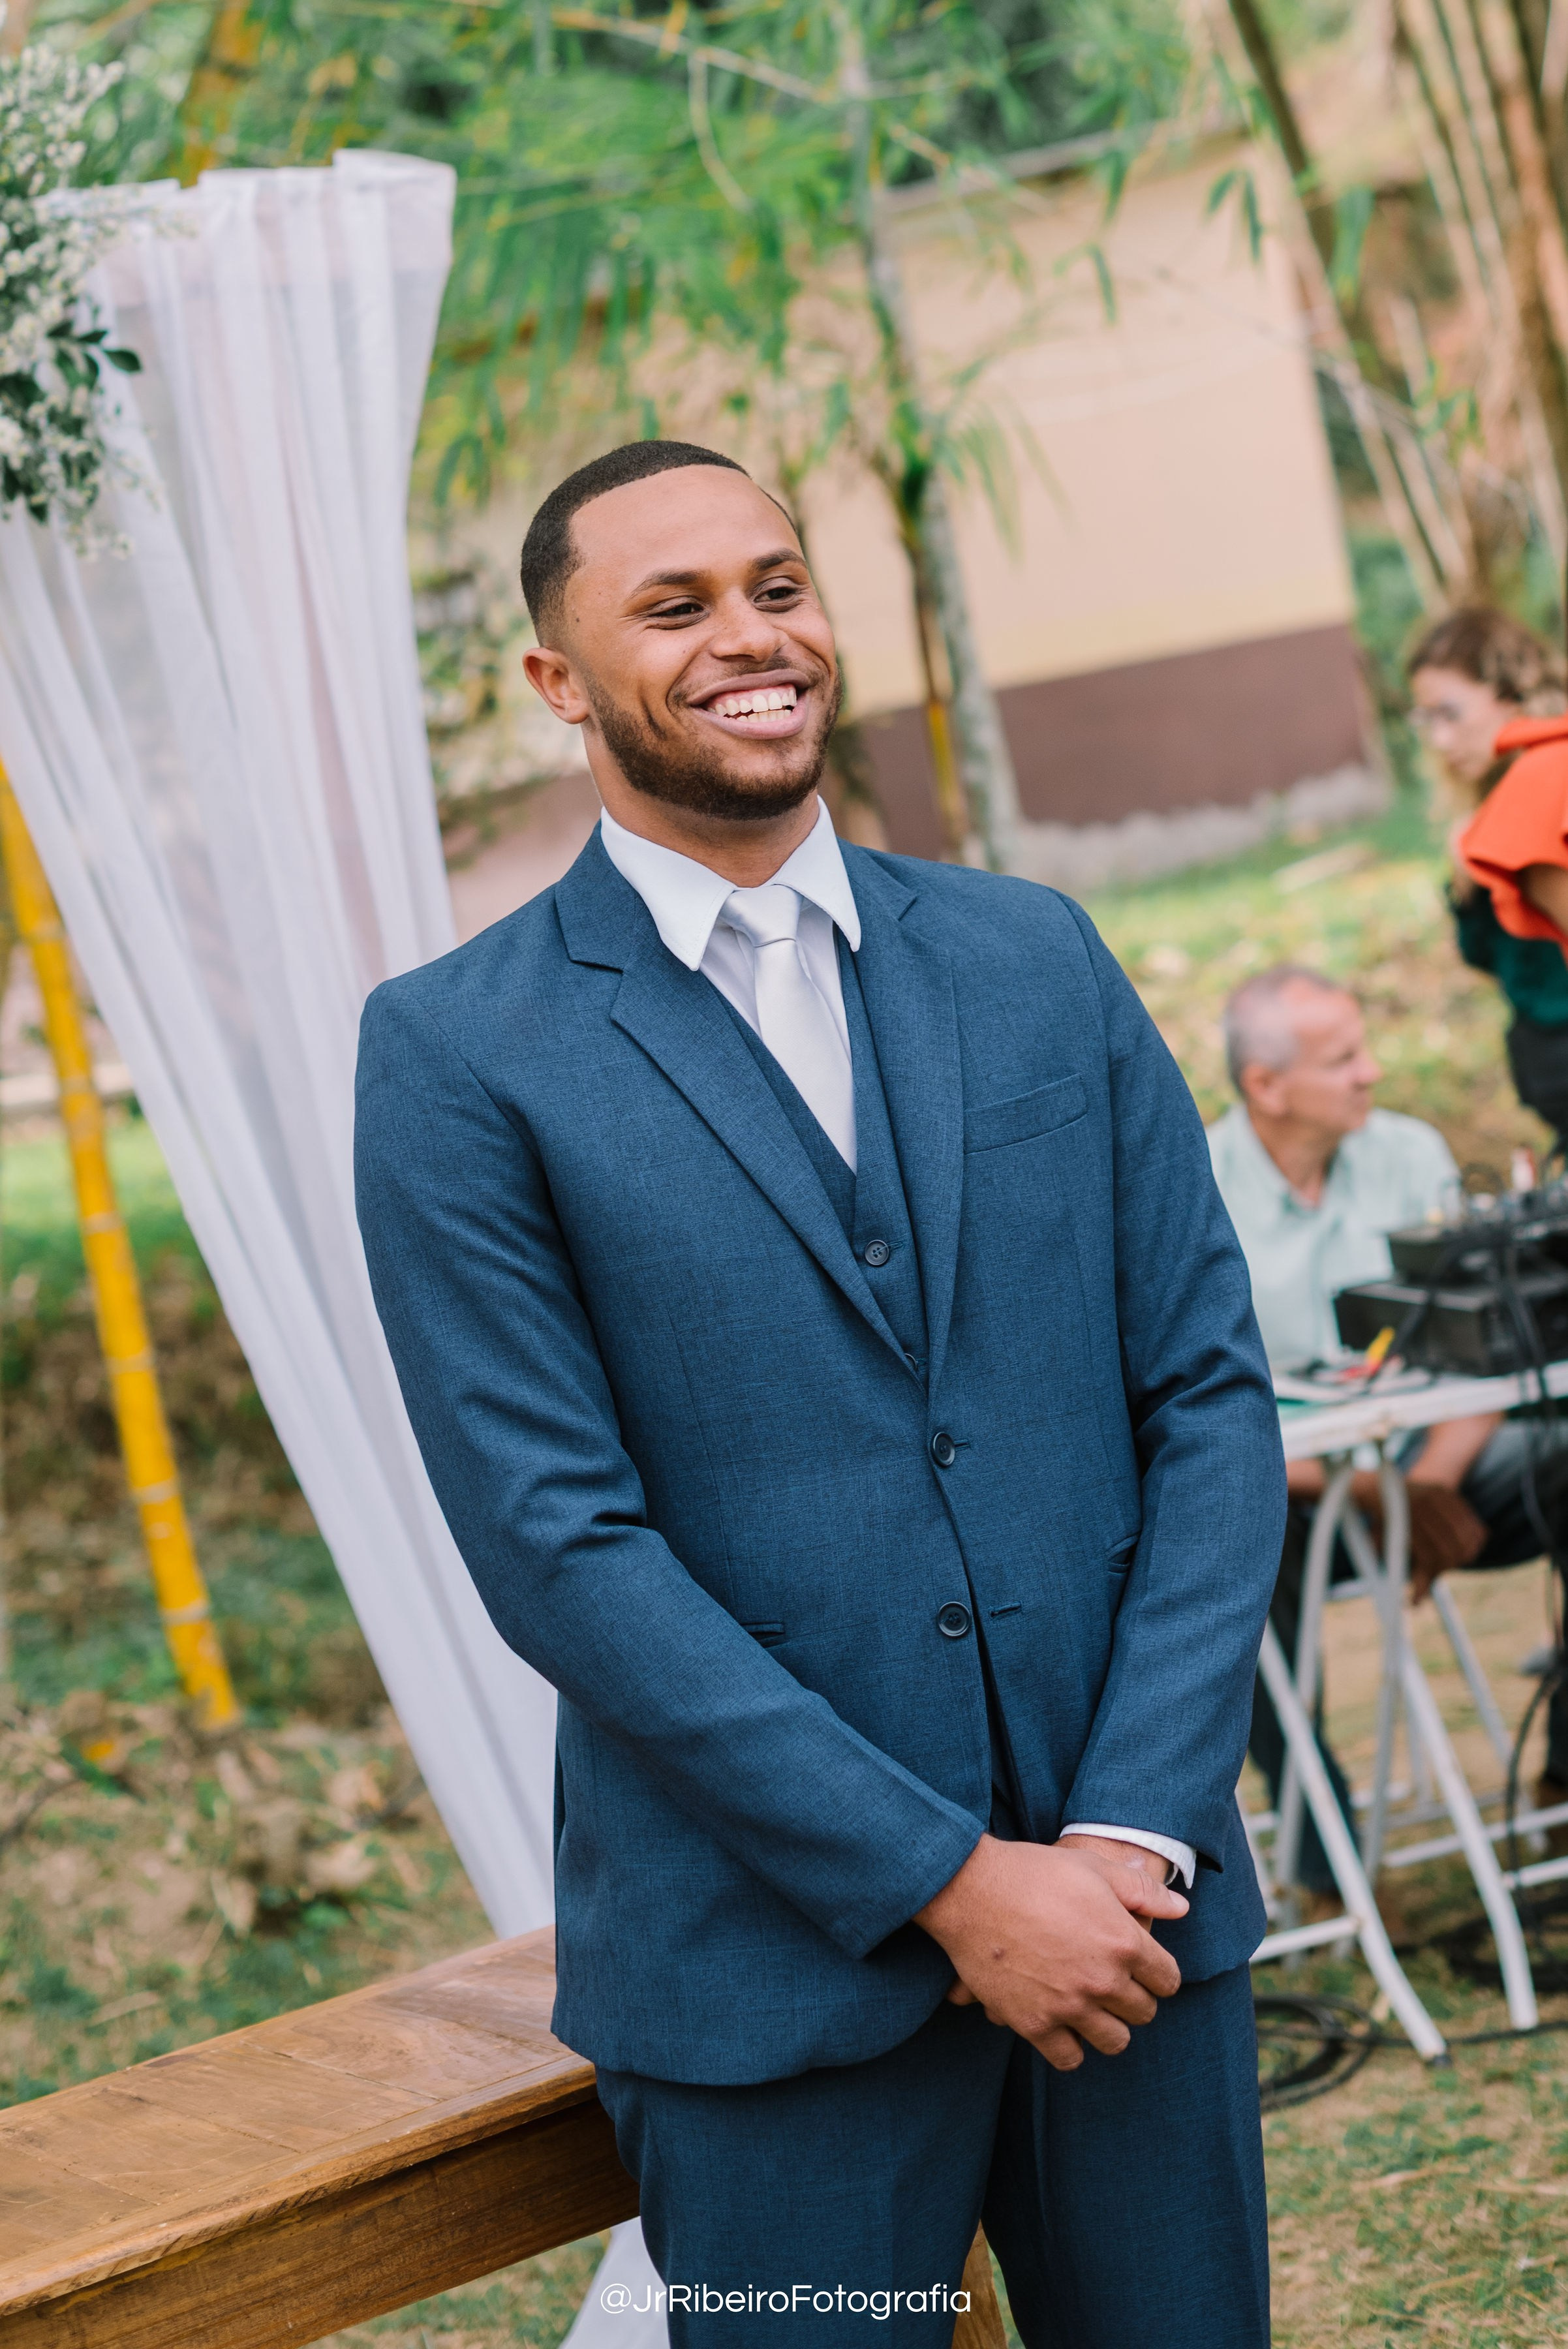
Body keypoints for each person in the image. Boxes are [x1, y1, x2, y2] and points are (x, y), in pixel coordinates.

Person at [354, 439, 1284, 2348]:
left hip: (1136, 1946)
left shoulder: (1035, 957)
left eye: (777, 585)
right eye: (674, 606)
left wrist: (1124, 1841)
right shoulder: (460, 1055)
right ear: (557, 683)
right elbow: (561, 1548)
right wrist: (948, 1884)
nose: (749, 637)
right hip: (771, 1987)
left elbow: (1205, 1394)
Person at [1209, 963, 1568, 1898]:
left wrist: (1429, 1483)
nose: (1371, 1072)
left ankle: (1561, 1772)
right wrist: (1374, 1492)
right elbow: (1188, 1409)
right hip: (1291, 1493)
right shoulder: (1194, 1186)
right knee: (1225, 1546)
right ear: (1265, 1085)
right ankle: (1326, 1865)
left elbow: (1490, 1338)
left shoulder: (1407, 1153)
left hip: (1435, 1467)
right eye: (1343, 1059)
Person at [1407, 606, 1568, 1147]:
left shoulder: (1541, 786)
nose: (1439, 740)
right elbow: (1487, 958)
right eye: (1426, 720)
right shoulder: (1490, 809)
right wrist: (1465, 887)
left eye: (1449, 713)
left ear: (1509, 691)